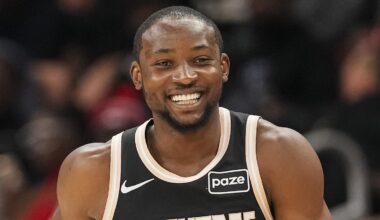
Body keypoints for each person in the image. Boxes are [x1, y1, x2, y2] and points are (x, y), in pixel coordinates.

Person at [52, 6, 331, 220]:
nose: (185, 77)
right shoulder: (92, 172)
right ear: (137, 75)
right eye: (164, 63)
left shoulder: (279, 154)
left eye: (200, 60)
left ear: (223, 67)